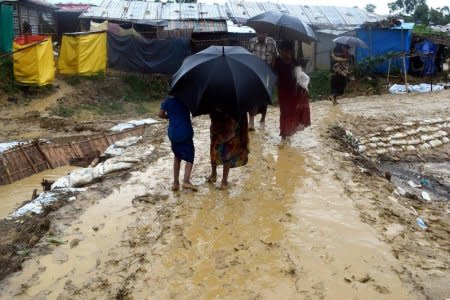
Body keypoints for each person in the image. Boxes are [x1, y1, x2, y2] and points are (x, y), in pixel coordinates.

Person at [273, 40, 311, 140]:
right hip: (282, 90)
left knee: (292, 111)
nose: (285, 53)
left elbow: (300, 76)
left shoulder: (294, 61)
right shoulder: (277, 61)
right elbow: (274, 74)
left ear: (290, 51)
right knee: (284, 112)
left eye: (288, 51)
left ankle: (289, 131)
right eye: (283, 50)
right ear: (280, 50)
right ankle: (284, 134)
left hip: (293, 91)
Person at [159, 96, 197, 191]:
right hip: (185, 132)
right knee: (190, 156)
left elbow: (160, 114)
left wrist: (169, 116)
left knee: (177, 157)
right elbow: (194, 111)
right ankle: (186, 181)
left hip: (173, 133)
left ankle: (176, 183)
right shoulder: (186, 100)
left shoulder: (167, 101)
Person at [208, 111, 249, 189]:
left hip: (219, 121)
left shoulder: (212, 101)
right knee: (227, 150)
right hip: (229, 121)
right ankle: (223, 181)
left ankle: (214, 175)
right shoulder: (235, 103)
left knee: (215, 147)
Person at [248, 32, 277, 131]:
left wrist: (271, 72)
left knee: (264, 98)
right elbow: (248, 57)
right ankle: (251, 122)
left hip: (266, 74)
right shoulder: (251, 42)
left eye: (264, 33)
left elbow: (274, 57)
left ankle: (262, 120)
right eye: (259, 33)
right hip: (254, 74)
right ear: (257, 33)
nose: (261, 35)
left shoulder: (272, 42)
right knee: (251, 98)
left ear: (266, 34)